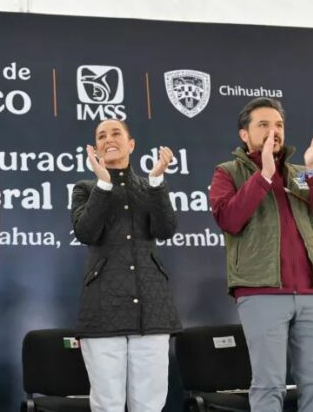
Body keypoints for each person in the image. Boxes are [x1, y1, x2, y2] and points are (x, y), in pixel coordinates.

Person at [209, 97, 313, 412]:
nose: (274, 131)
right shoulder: (228, 172)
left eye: (279, 124)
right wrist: (264, 175)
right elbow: (229, 219)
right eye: (264, 124)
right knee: (269, 386)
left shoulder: (300, 173)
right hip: (261, 290)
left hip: (312, 292)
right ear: (245, 134)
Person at [70, 119, 181, 412]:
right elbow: (86, 232)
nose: (109, 139)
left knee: (149, 404)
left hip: (151, 307)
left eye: (116, 133)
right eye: (101, 136)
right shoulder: (86, 188)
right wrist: (103, 184)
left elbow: (165, 229)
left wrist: (157, 180)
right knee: (107, 404)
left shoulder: (150, 187)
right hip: (103, 308)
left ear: (131, 144)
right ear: (95, 149)